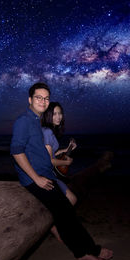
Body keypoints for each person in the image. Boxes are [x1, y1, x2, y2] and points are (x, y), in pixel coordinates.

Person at [10, 82, 113, 260]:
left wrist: (61, 154)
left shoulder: (36, 121)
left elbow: (38, 151)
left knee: (65, 213)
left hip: (46, 175)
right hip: (35, 179)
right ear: (29, 99)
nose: (43, 101)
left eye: (46, 98)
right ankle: (88, 250)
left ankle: (81, 249)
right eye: (38, 97)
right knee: (67, 214)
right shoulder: (23, 121)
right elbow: (17, 152)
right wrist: (36, 178)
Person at [41, 102, 78, 242]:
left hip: (49, 171)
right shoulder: (47, 131)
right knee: (72, 199)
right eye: (54, 114)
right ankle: (54, 226)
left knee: (71, 200)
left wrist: (66, 150)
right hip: (45, 173)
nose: (58, 117)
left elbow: (51, 154)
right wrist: (66, 162)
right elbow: (49, 161)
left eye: (60, 113)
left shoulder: (49, 131)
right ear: (48, 115)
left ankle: (55, 225)